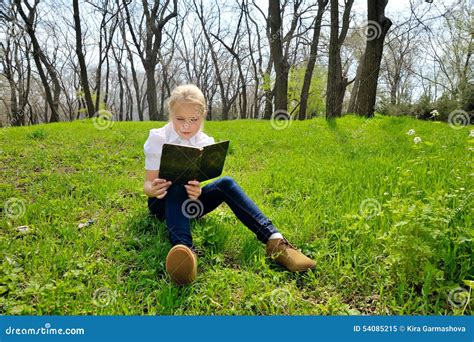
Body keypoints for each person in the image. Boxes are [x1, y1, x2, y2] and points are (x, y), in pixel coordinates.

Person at [143, 84, 315, 285]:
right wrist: (152, 189)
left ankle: (275, 241)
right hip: (162, 203)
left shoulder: (205, 142)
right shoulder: (158, 137)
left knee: (226, 183)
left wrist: (197, 192)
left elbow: (198, 182)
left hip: (190, 203)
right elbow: (147, 184)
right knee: (176, 185)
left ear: (204, 115)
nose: (186, 126)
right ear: (170, 114)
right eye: (179, 119)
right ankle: (186, 253)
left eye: (194, 120)